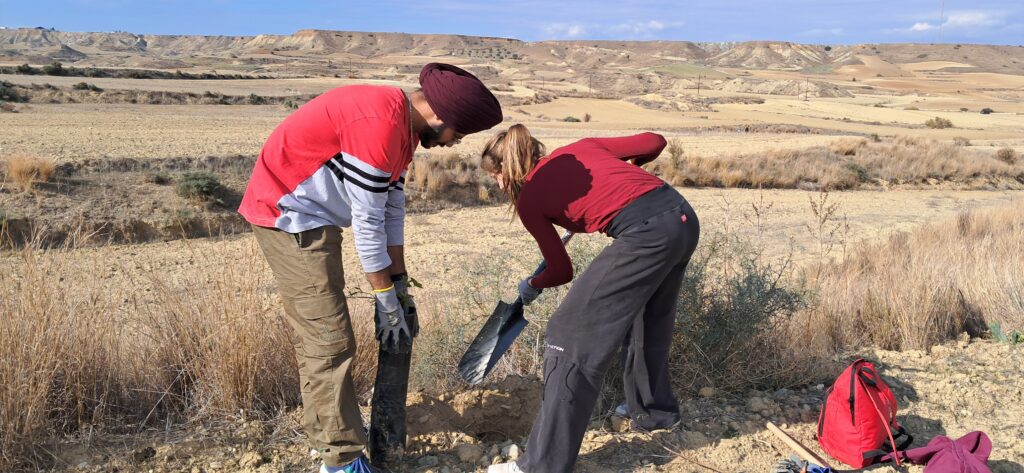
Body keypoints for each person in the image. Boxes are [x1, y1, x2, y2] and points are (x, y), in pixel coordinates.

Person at [238, 63, 502, 473]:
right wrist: (383, 297)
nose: (453, 144)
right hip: (289, 216)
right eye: (458, 134)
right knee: (329, 340)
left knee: (330, 338)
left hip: (317, 216)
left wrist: (398, 285)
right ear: (438, 116)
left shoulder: (402, 126)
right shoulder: (380, 126)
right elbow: (367, 223)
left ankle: (333, 439)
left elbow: (391, 207)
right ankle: (340, 460)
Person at [481, 125, 700, 473]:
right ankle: (655, 414)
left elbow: (560, 270)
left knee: (568, 333)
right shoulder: (582, 147)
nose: (498, 185)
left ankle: (541, 465)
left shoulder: (530, 199)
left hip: (646, 234)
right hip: (682, 218)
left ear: (507, 170)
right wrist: (631, 165)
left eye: (496, 176)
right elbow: (655, 141)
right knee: (648, 320)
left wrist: (532, 284)